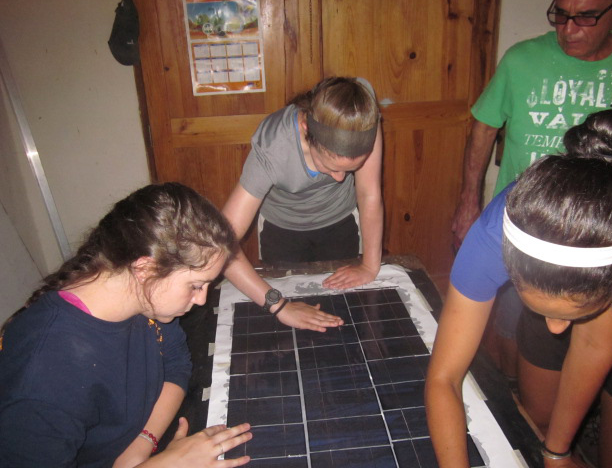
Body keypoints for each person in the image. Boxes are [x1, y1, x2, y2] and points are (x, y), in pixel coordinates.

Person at [426, 109, 612, 467]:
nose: (556, 330)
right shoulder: (490, 238)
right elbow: (444, 377)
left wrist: (558, 453)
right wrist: (553, 450)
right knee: (537, 423)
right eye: (542, 311)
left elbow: (592, 343)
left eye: (573, 312)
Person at [451, 0, 612, 379]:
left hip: (607, 243)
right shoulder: (521, 60)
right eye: (560, 14)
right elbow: (483, 130)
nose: (568, 30)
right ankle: (512, 387)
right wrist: (469, 201)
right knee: (512, 325)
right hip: (525, 233)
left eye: (585, 16)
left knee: (600, 347)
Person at [0, 183, 253, 467]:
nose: (201, 299)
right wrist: (168, 464)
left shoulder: (145, 300)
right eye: (195, 285)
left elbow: (176, 362)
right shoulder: (45, 376)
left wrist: (143, 444)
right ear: (145, 268)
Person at [222, 76, 384, 331]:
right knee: (287, 327)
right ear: (306, 131)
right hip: (283, 229)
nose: (341, 179)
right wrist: (280, 306)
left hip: (339, 221)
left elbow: (369, 194)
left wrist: (370, 266)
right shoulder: (273, 147)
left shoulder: (360, 116)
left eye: (351, 169)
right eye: (331, 167)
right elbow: (221, 244)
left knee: (342, 317)